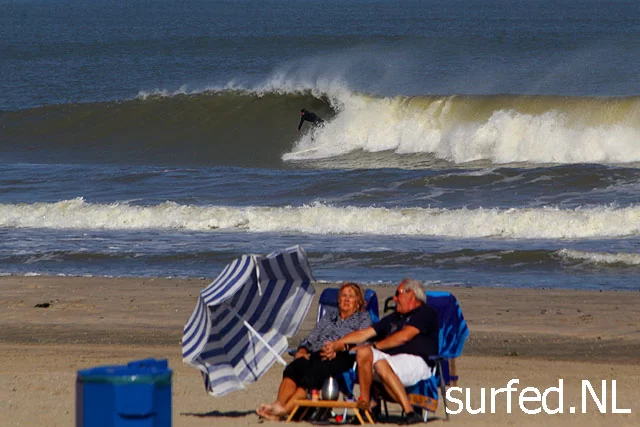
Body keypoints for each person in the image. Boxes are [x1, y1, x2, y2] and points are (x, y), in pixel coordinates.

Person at [322, 279, 438, 425]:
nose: (394, 298)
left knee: (379, 362)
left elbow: (404, 337)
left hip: (417, 361)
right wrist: (337, 344)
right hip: (391, 359)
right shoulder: (394, 317)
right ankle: (366, 407)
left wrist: (375, 347)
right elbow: (364, 334)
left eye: (398, 294)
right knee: (363, 352)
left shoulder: (425, 313)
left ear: (411, 295)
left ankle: (410, 412)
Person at [256, 282, 373, 421]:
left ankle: (283, 411)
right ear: (338, 299)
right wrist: (303, 349)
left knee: (312, 374)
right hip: (317, 354)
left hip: (342, 356)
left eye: (351, 296)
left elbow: (363, 342)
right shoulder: (329, 317)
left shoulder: (362, 318)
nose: (347, 299)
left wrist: (340, 347)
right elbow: (311, 338)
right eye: (344, 295)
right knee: (295, 367)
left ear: (358, 302)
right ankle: (278, 404)